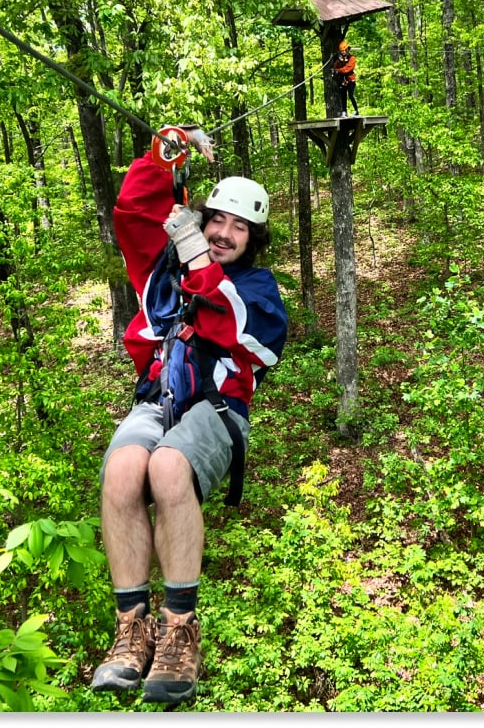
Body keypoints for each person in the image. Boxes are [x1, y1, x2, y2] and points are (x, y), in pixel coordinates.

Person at [90, 127, 288, 706]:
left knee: (170, 470)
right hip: (158, 397)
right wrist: (163, 152)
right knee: (123, 469)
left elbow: (239, 329)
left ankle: (179, 629)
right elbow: (134, 211)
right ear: (203, 219)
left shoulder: (257, 289)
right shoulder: (165, 270)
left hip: (217, 407)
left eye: (239, 226)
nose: (224, 233)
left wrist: (197, 257)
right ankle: (132, 628)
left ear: (253, 239)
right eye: (216, 220)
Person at [332, 39, 359, 117]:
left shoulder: (352, 58)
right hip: (343, 80)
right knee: (343, 96)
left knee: (350, 95)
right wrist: (337, 63)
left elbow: (348, 69)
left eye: (344, 50)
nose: (343, 52)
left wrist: (338, 70)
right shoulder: (340, 59)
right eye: (342, 51)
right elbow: (335, 66)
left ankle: (356, 111)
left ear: (347, 49)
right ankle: (344, 111)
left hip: (350, 79)